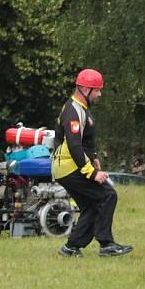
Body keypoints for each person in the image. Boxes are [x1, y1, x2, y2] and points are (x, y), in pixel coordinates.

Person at [53, 69, 132, 257]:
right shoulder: (74, 111)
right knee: (107, 195)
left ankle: (71, 248)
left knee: (92, 205)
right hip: (70, 167)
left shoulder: (81, 109)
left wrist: (94, 156)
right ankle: (106, 244)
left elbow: (85, 141)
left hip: (65, 167)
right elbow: (74, 145)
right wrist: (92, 173)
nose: (99, 94)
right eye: (96, 90)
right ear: (85, 89)